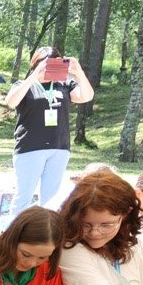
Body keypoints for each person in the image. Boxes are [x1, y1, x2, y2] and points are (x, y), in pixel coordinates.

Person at [6, 47, 94, 214]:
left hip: (58, 147)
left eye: (55, 63)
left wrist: (78, 72)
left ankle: (47, 234)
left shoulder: (64, 85)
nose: (50, 68)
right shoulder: (24, 85)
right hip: (30, 147)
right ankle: (13, 234)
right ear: (35, 64)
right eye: (46, 64)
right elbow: (11, 101)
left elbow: (86, 96)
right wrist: (35, 75)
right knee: (23, 195)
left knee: (52, 198)